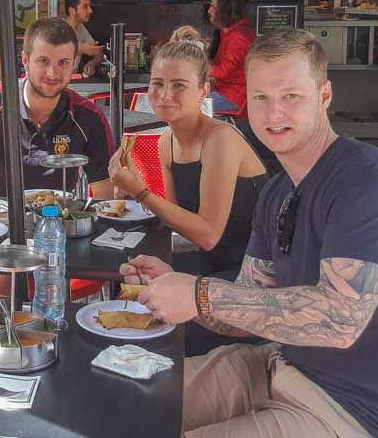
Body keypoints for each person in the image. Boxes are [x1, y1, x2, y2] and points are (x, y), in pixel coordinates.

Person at [50, 28, 378, 438]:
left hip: (356, 422)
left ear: (324, 97)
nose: (273, 111)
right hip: (277, 369)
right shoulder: (281, 191)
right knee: (122, 409)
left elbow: (338, 320)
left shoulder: (368, 183)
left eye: (291, 96)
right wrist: (173, 281)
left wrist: (202, 295)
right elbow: (248, 307)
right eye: (260, 97)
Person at [108, 26, 269, 279]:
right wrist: (130, 195)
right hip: (208, 263)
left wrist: (141, 192)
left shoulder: (221, 138)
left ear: (203, 91)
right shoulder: (166, 142)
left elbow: (207, 235)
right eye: (157, 84)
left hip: (253, 273)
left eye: (179, 86)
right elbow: (179, 223)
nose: (165, 95)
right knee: (132, 275)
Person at [0, 16, 117, 199]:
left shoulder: (88, 115)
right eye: (43, 61)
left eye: (63, 63)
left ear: (74, 64)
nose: (52, 73)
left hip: (58, 218)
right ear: (25, 61)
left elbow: (105, 192)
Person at [205, 0, 255, 115]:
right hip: (224, 91)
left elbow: (223, 71)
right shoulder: (228, 32)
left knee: (186, 104)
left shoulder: (239, 38)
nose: (208, 11)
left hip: (233, 97)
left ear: (224, 10)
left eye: (212, 7)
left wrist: (198, 67)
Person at [65, 0, 104, 77]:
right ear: (72, 11)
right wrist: (80, 49)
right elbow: (54, 51)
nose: (90, 11)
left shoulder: (81, 28)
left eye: (90, 6)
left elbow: (100, 53)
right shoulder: (59, 29)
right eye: (85, 7)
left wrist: (92, 63)